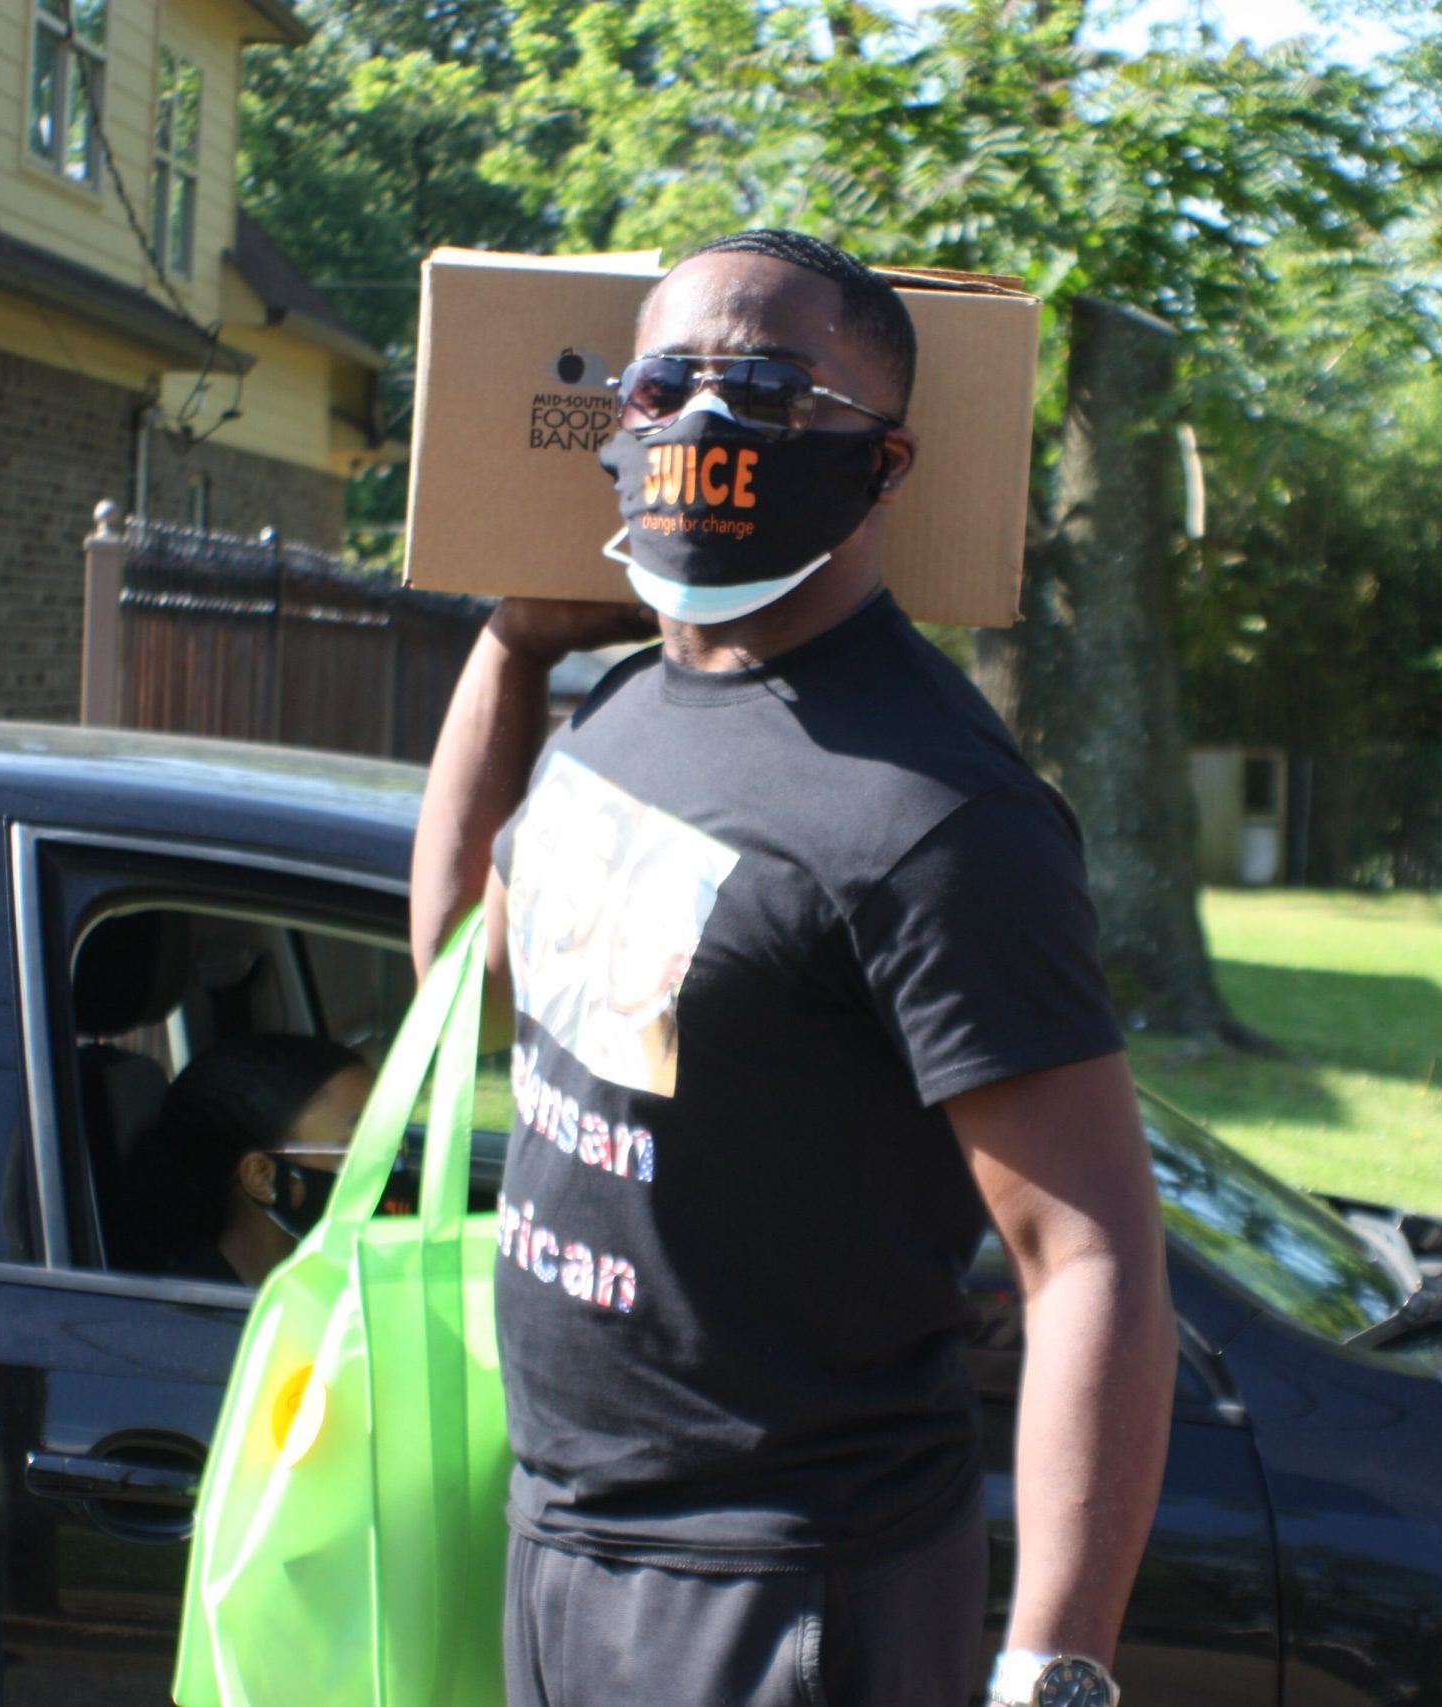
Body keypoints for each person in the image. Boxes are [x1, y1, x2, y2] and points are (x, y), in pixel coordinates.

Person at [410, 229, 1172, 1707]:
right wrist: (511, 647)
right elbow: (461, 975)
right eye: (662, 386)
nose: (701, 423)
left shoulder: (937, 812)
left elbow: (1092, 1257)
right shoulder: (625, 709)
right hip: (562, 1535)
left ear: (883, 463)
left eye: (764, 389)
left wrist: (1053, 1669)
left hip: (785, 1586)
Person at [125, 1033, 374, 1286]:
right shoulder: (189, 1308)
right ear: (262, 1176)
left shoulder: (354, 1285)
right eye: (361, 1144)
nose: (389, 1159)